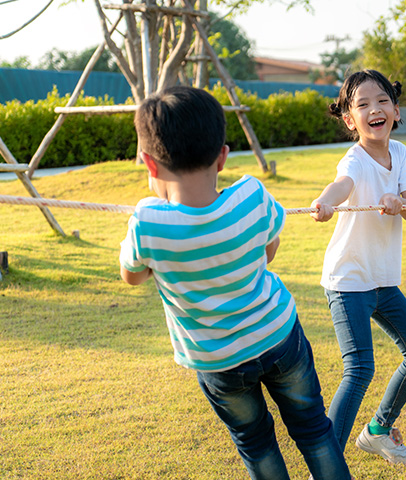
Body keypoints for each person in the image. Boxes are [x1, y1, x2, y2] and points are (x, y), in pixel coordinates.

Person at [118, 86, 349, 480]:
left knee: (255, 443)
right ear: (223, 156)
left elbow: (132, 275)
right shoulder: (251, 195)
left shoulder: (148, 222)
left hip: (218, 361)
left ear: (148, 164)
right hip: (279, 337)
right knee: (313, 428)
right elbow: (269, 250)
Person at [310, 69, 406, 465]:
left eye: (381, 101)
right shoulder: (355, 158)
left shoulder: (399, 153)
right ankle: (326, 465)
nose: (374, 109)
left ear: (395, 111)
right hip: (348, 280)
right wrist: (325, 202)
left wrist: (400, 202)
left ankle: (379, 430)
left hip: (382, 281)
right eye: (362, 104)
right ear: (350, 120)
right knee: (360, 368)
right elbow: (342, 184)